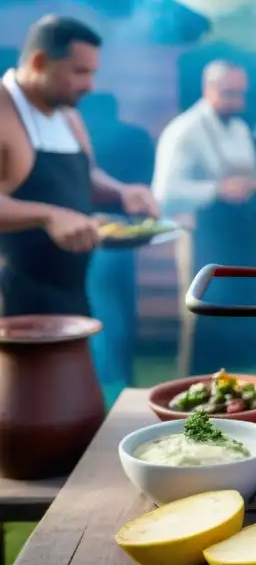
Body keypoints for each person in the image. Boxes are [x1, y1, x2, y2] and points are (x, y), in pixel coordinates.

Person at [0, 15, 158, 317]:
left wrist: (122, 192)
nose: (89, 85)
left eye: (92, 73)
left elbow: (84, 175)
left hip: (71, 295)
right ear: (39, 62)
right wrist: (49, 216)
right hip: (13, 303)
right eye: (80, 72)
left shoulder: (66, 113)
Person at [152, 60, 256, 375]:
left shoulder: (240, 127)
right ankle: (200, 391)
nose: (236, 103)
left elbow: (250, 174)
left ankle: (254, 389)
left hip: (242, 238)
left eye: (240, 94)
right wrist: (217, 190)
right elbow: (165, 192)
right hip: (203, 239)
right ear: (208, 89)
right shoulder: (184, 130)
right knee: (205, 322)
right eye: (228, 93)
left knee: (251, 318)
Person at [79, 93, 157, 400]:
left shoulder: (89, 138)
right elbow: (146, 178)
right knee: (123, 310)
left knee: (105, 313)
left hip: (96, 236)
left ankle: (112, 385)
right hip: (128, 234)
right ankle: (125, 377)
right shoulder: (136, 136)